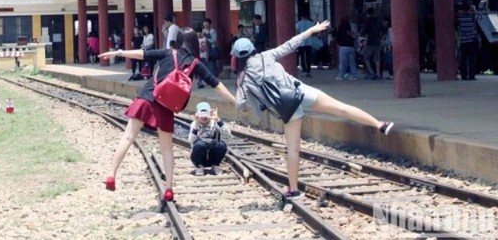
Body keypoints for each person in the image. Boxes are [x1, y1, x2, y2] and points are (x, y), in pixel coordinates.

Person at [232, 21, 394, 199]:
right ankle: (380, 124)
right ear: (252, 49)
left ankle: (293, 190)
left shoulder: (243, 78)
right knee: (342, 108)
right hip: (300, 92)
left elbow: (241, 105)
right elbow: (290, 44)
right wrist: (311, 30)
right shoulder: (266, 56)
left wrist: (248, 103)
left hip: (287, 109)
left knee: (292, 149)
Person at [99, 27, 237, 203]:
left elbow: (142, 54)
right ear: (194, 43)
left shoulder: (167, 53)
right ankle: (169, 190)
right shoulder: (195, 64)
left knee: (127, 137)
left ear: (178, 41)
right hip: (166, 107)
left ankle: (111, 174)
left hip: (147, 97)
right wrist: (234, 100)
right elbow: (216, 84)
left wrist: (119, 52)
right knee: (166, 149)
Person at [188, 102, 229, 176]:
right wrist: (196, 125)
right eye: (202, 114)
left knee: (221, 145)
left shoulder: (215, 123)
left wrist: (218, 120)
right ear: (197, 114)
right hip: (199, 156)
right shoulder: (194, 124)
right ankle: (199, 166)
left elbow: (228, 134)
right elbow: (191, 140)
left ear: (210, 113)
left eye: (206, 114)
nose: (204, 117)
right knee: (199, 145)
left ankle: (215, 165)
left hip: (212, 155)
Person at [456, 1, 479, 80]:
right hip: (472, 40)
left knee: (463, 59)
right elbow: (480, 18)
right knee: (472, 59)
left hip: (463, 40)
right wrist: (474, 10)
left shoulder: (460, 16)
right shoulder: (472, 15)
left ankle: (464, 75)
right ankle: (471, 76)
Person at [361, 8, 383, 80]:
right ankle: (378, 73)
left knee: (365, 56)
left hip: (370, 42)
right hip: (378, 41)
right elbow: (382, 30)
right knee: (377, 58)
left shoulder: (367, 22)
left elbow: (364, 32)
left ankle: (371, 72)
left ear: (367, 14)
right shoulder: (378, 21)